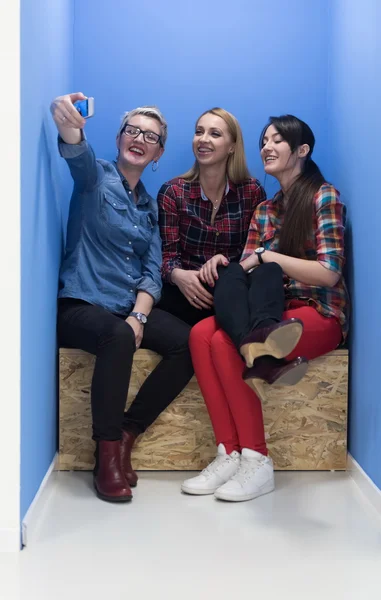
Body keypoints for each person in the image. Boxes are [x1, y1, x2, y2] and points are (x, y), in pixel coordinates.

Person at [182, 115, 349, 502]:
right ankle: (230, 452)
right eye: (263, 141)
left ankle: (257, 461)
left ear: (302, 151)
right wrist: (224, 266)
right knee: (200, 333)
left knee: (225, 344)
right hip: (267, 314)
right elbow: (248, 271)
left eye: (277, 140)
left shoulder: (325, 197)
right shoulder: (265, 210)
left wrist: (266, 256)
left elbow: (329, 274)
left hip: (316, 312)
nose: (266, 147)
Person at [51, 92, 194, 503]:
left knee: (187, 343)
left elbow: (152, 273)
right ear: (118, 138)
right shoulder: (95, 177)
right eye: (132, 130)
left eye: (150, 136)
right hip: (81, 305)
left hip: (124, 311)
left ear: (158, 153)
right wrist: (68, 122)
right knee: (115, 336)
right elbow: (75, 150)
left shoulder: (150, 208)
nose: (139, 138)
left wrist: (140, 317)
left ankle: (129, 431)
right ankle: (107, 456)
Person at [157, 107, 266, 326]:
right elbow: (167, 256)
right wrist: (178, 276)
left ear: (232, 147)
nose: (203, 140)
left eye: (215, 134)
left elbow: (255, 252)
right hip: (186, 292)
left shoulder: (251, 191)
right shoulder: (173, 192)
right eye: (199, 132)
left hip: (233, 290)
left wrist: (225, 266)